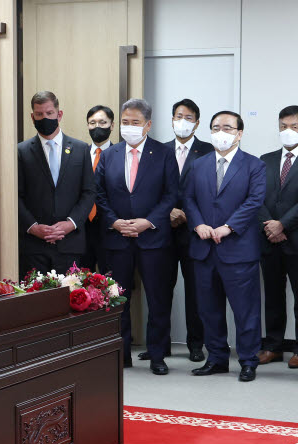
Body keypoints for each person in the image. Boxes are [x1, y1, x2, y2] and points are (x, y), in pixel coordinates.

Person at [94, 98, 178, 374]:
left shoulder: (164, 154)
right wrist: (116, 222)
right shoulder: (109, 154)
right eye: (125, 122)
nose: (129, 127)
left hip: (153, 238)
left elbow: (171, 195)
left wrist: (148, 222)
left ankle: (157, 356)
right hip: (117, 238)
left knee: (157, 298)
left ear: (148, 125)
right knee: (118, 300)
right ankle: (121, 354)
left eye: (135, 123)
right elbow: (100, 195)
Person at [184, 110, 267, 382]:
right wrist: (198, 225)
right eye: (216, 127)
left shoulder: (254, 165)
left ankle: (247, 361)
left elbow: (254, 202)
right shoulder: (198, 164)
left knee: (245, 311)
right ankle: (217, 358)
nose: (222, 132)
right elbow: (188, 198)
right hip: (204, 248)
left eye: (228, 128)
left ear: (240, 133)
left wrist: (228, 227)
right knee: (209, 309)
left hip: (239, 249)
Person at [137, 98, 211, 364]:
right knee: (159, 291)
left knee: (196, 291)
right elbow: (149, 191)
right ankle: (160, 345)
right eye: (178, 116)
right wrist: (166, 212)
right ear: (171, 119)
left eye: (189, 117)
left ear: (198, 122)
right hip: (161, 231)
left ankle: (195, 344)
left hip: (193, 232)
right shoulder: (157, 150)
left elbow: (210, 193)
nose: (183, 121)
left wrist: (187, 214)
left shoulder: (209, 150)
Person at [257, 105, 298, 370]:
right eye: (283, 126)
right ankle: (273, 345)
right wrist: (270, 225)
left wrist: (282, 224)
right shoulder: (265, 159)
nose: (288, 131)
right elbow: (256, 195)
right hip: (267, 238)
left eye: (294, 127)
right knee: (272, 295)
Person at [17, 91, 95, 276]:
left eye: (49, 113)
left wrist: (70, 223)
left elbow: (89, 192)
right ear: (32, 117)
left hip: (70, 243)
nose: (45, 118)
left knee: (70, 302)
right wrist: (33, 227)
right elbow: (16, 196)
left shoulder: (81, 149)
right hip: (34, 245)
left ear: (59, 114)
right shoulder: (21, 151)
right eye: (39, 114)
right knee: (36, 302)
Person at [82, 104, 115, 273]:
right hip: (83, 230)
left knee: (112, 286)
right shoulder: (80, 153)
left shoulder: (120, 155)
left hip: (111, 230)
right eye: (92, 123)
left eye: (102, 122)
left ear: (112, 125)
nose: (97, 127)